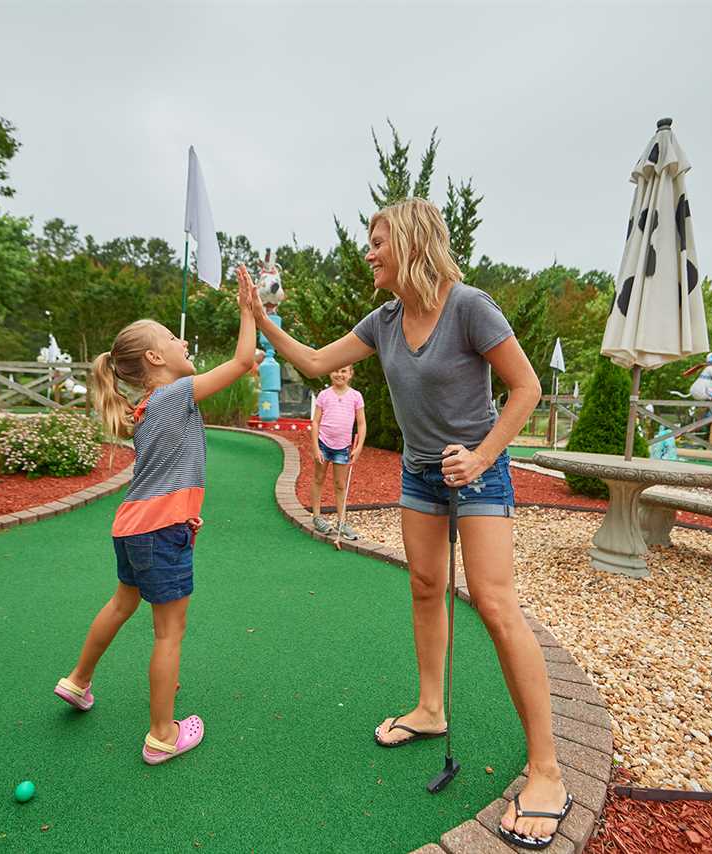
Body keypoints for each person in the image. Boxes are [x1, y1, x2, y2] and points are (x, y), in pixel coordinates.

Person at [242, 198, 571, 849]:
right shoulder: (384, 320)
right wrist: (260, 319)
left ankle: (548, 771)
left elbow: (527, 389)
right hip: (421, 474)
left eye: (377, 240)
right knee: (424, 587)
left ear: (412, 243)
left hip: (477, 473)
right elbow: (311, 363)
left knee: (497, 606)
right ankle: (429, 707)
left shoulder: (470, 307)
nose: (369, 252)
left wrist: (481, 454)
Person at [54, 268, 257, 765]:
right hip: (159, 530)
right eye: (172, 338)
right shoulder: (177, 394)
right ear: (154, 358)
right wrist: (249, 311)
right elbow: (243, 360)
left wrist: (184, 515)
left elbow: (166, 474)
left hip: (132, 528)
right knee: (169, 633)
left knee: (123, 603)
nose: (182, 340)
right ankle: (162, 735)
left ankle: (77, 681)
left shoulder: (146, 408)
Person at [309, 364, 366, 539]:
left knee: (340, 484)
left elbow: (361, 423)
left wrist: (359, 447)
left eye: (343, 371)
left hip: (342, 447)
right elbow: (316, 422)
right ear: (329, 372)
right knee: (319, 479)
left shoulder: (356, 396)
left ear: (350, 374)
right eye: (335, 370)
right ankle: (317, 516)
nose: (339, 374)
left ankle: (342, 521)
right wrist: (316, 447)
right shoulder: (324, 395)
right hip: (324, 444)